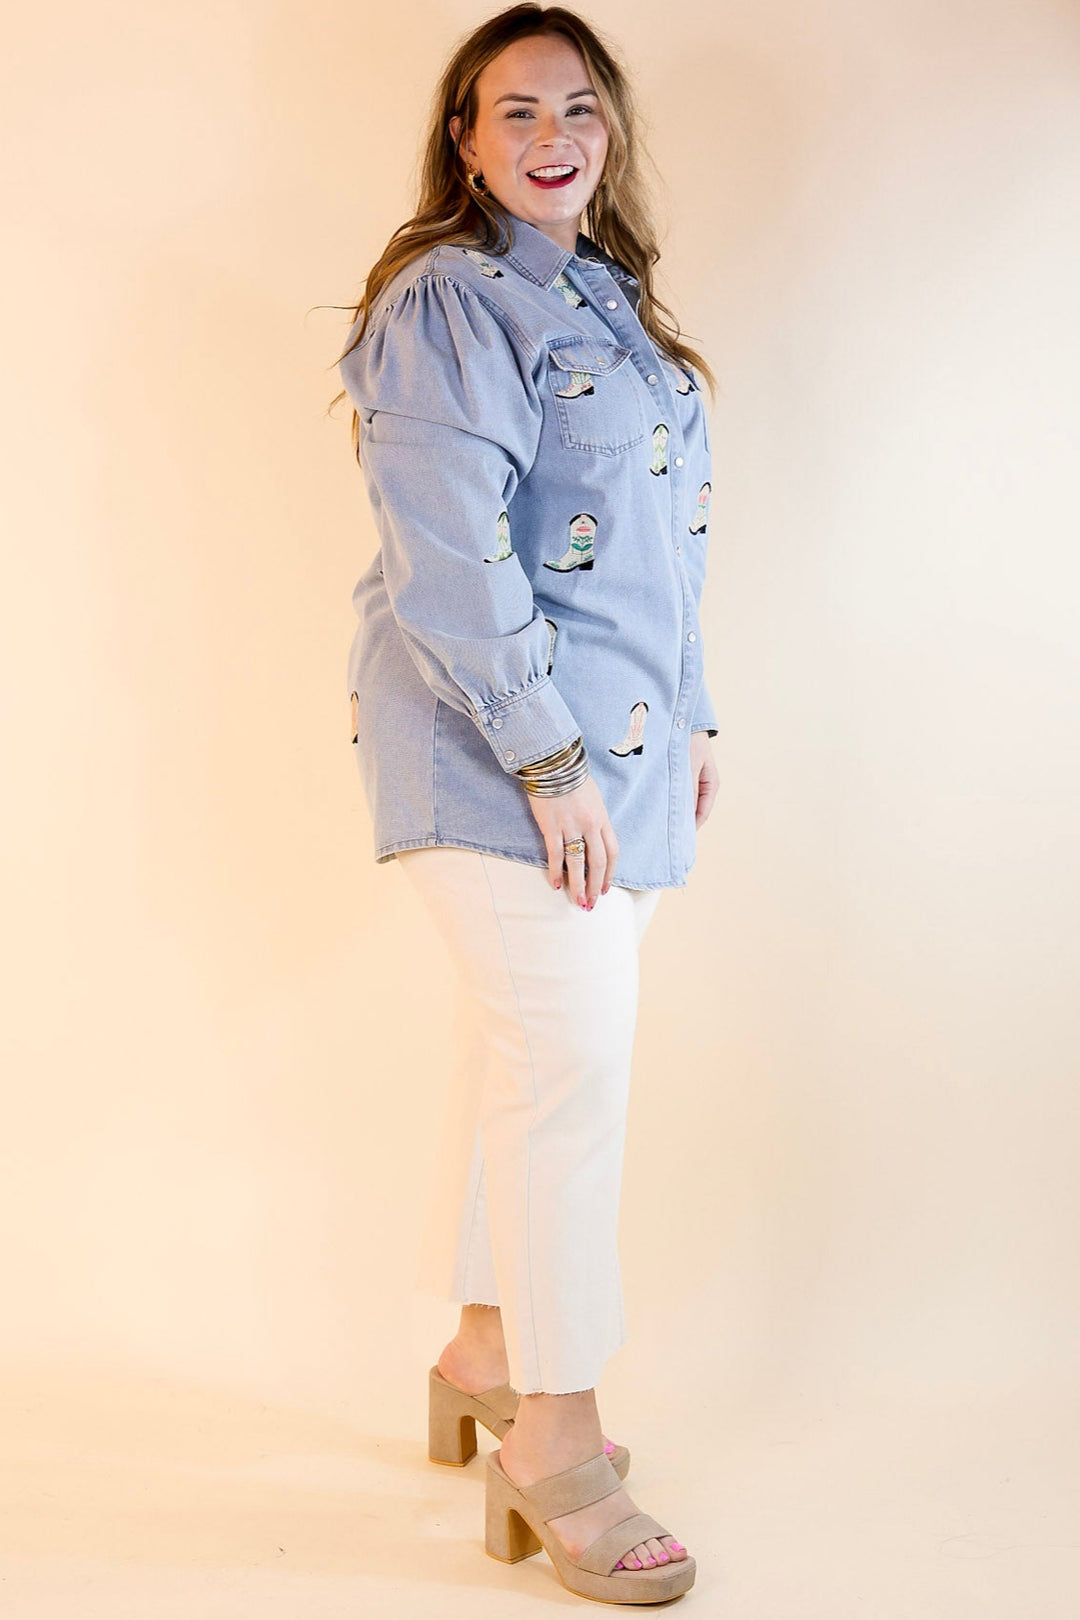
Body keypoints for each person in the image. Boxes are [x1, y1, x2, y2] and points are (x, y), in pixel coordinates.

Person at [333, 4, 718, 1603]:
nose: (553, 135)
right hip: (500, 753)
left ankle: (484, 1354)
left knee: (527, 1063)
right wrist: (554, 763)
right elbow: (453, 559)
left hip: (621, 759)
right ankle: (555, 1437)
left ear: (609, 134)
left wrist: (693, 716)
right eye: (517, 111)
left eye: (579, 108)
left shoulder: (609, 301)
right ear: (465, 139)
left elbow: (663, 543)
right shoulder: (448, 301)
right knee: (570, 1078)